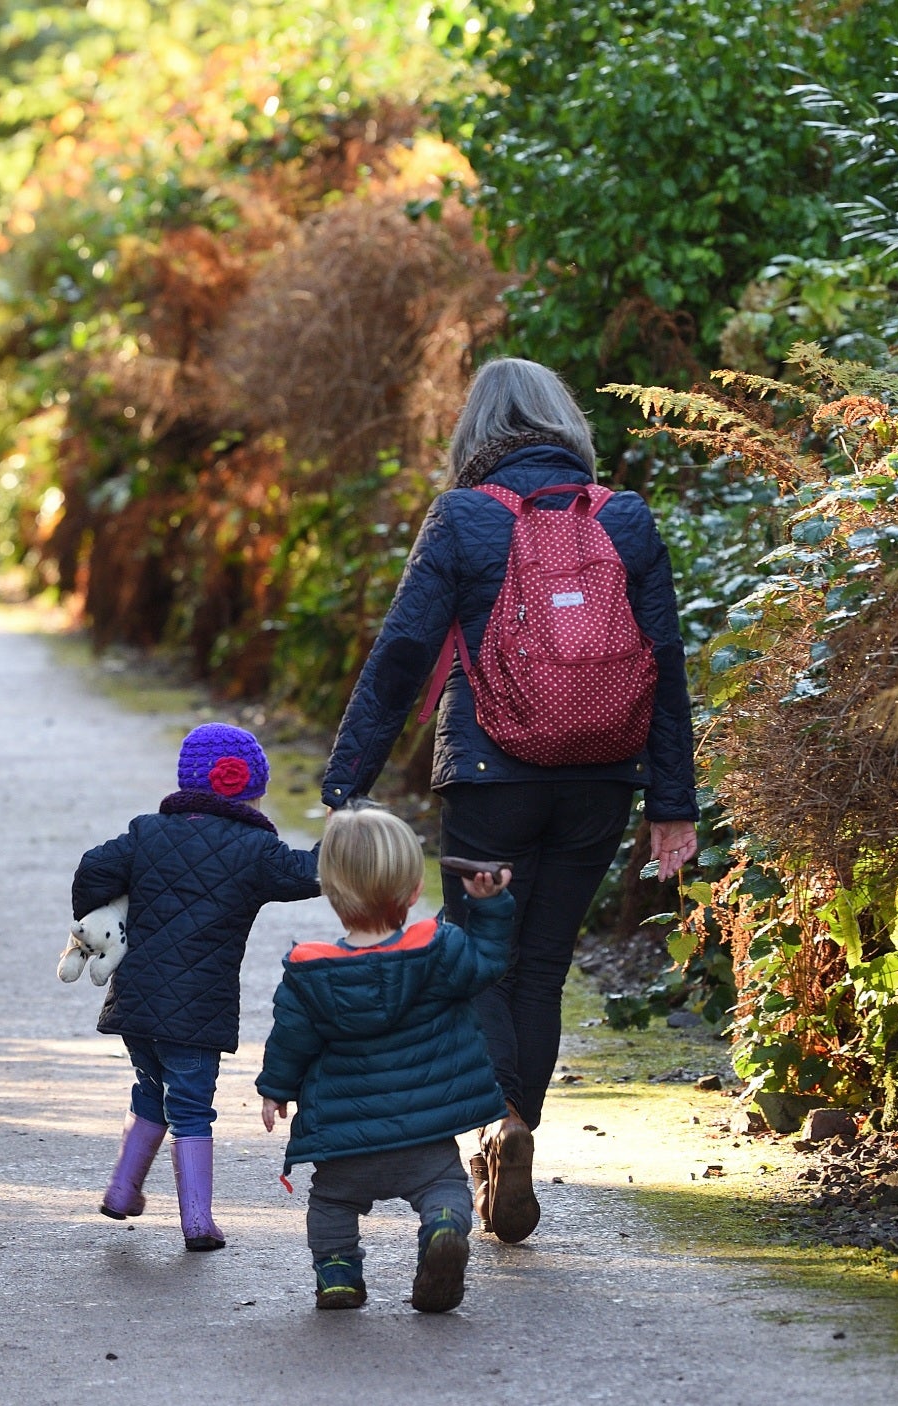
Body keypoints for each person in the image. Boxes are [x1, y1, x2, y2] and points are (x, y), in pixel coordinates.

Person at [319, 357, 699, 1245]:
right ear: (565, 422)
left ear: (473, 433)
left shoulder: (462, 519)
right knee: (540, 966)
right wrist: (671, 802)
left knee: (480, 962)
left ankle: (498, 1127)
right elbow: (666, 668)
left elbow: (404, 652)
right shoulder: (625, 518)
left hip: (492, 781)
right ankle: (517, 1127)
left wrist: (348, 781)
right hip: (603, 778)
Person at [255, 805, 513, 1314]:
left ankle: (338, 1275)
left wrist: (275, 1089)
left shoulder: (312, 974)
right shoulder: (440, 951)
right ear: (414, 891)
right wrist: (491, 905)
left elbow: (292, 1039)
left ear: (331, 892)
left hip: (345, 1140)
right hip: (425, 1135)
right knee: (445, 1188)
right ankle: (441, 1228)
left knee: (330, 1203)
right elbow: (489, 963)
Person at [72, 722, 320, 1251]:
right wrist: (347, 830)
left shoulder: (146, 833)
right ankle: (197, 1221)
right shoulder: (257, 850)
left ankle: (122, 1191)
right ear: (248, 788)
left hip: (135, 1001)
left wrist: (103, 911)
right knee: (190, 1106)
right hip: (197, 1013)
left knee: (149, 1091)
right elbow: (311, 873)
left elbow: (94, 866)